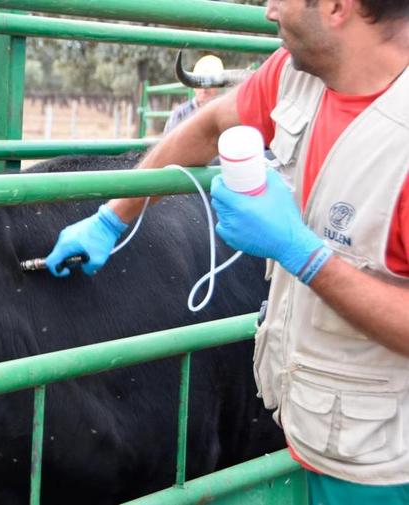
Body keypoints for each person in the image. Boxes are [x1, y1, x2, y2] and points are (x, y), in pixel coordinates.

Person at [45, 1, 409, 503]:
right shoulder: (295, 74)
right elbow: (211, 126)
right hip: (309, 426)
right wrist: (113, 217)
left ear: (337, 7)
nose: (268, 11)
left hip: (384, 466)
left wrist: (304, 255)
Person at [162, 54, 224, 134]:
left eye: (211, 84)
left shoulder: (223, 114)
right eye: (199, 83)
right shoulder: (180, 114)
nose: (204, 89)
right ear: (193, 87)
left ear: (218, 87)